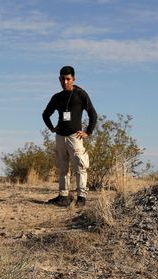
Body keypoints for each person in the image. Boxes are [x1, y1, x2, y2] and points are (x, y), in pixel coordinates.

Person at [42, 66, 98, 207]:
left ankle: (81, 197)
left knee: (80, 166)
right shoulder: (57, 97)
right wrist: (51, 128)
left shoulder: (80, 94)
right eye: (63, 79)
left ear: (73, 79)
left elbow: (93, 114)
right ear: (59, 79)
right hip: (60, 136)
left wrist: (88, 132)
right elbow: (45, 114)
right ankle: (63, 196)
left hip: (75, 137)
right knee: (62, 167)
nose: (65, 82)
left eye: (68, 79)